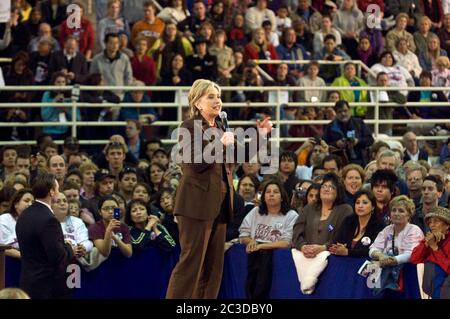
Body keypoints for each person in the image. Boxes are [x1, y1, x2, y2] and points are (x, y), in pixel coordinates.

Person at [166, 79, 273, 299]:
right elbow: (194, 163)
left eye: (219, 96)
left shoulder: (221, 128)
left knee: (214, 268)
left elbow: (240, 156)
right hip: (196, 204)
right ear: (197, 103)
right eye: (211, 96)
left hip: (221, 206)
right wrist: (219, 143)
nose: (217, 101)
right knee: (191, 265)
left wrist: (261, 137)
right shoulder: (189, 127)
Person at [15, 172, 75, 299]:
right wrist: (69, 248)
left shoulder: (23, 215)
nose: (58, 192)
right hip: (47, 289)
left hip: (27, 285)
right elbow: (58, 256)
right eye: (58, 189)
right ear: (52, 191)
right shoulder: (49, 219)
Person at [239, 179, 298, 299]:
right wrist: (251, 241)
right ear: (263, 196)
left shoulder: (291, 215)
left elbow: (286, 243)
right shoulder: (256, 212)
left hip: (276, 259)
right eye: (268, 192)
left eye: (275, 192)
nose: (271, 194)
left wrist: (260, 245)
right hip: (255, 256)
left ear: (282, 197)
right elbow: (242, 235)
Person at [329, 189, 384, 257]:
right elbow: (336, 242)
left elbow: (372, 250)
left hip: (364, 263)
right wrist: (338, 248)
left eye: (365, 203)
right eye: (357, 202)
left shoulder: (379, 225)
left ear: (373, 207)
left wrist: (348, 252)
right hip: (342, 260)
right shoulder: (348, 220)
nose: (360, 206)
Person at [410, 207, 450, 299]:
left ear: (447, 226)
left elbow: (448, 268)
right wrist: (426, 244)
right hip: (430, 284)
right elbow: (414, 259)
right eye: (430, 222)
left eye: (436, 221)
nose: (432, 225)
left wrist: (435, 248)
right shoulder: (429, 239)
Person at [0, 188, 34, 258]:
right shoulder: (4, 219)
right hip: (8, 261)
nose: (30, 204)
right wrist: (27, 258)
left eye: (33, 202)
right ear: (16, 204)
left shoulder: (35, 222)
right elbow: (4, 248)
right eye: (26, 201)